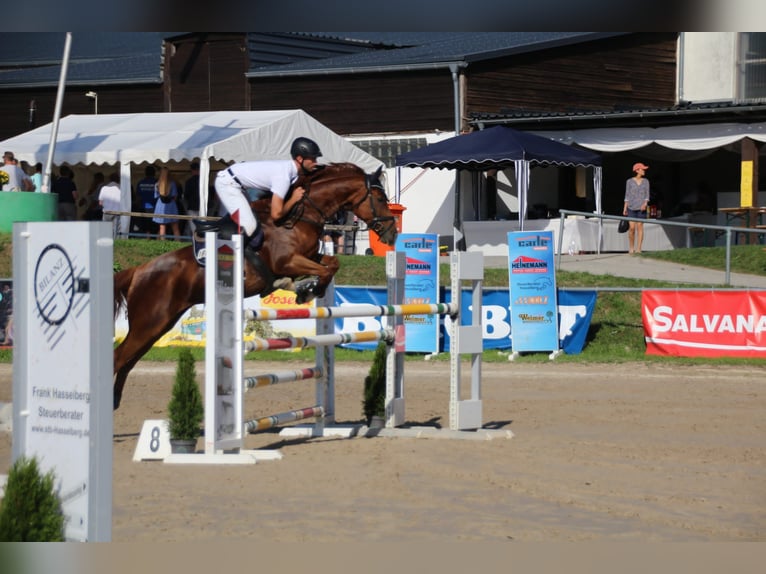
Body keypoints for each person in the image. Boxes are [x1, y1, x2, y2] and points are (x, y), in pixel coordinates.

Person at [214, 136, 322, 259]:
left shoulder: (291, 172)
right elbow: (276, 214)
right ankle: (227, 259)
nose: (315, 162)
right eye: (312, 159)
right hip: (228, 184)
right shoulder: (283, 176)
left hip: (236, 183)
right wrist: (293, 199)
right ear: (299, 159)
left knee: (256, 220)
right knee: (250, 225)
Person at [623, 162, 650, 254]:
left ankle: (639, 248)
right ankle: (631, 247)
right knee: (631, 228)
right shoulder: (629, 181)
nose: (644, 171)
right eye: (642, 169)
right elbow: (627, 195)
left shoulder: (646, 181)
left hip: (641, 208)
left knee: (640, 227)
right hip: (631, 207)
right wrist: (625, 208)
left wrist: (645, 204)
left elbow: (647, 195)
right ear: (637, 170)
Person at [153, 166, 181, 240]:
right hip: (171, 205)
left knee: (162, 227)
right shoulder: (172, 183)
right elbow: (175, 196)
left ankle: (163, 244)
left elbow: (156, 196)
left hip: (160, 205)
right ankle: (178, 243)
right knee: (175, 227)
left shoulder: (157, 184)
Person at [135, 165, 158, 237]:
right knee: (155, 225)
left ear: (145, 173)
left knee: (145, 225)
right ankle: (155, 240)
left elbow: (138, 196)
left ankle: (147, 238)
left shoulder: (140, 183)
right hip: (155, 207)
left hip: (143, 206)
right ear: (154, 173)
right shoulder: (157, 182)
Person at [98, 173, 123, 237]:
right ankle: (115, 245)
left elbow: (100, 202)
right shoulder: (121, 188)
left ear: (110, 179)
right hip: (117, 212)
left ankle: (106, 243)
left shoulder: (104, 188)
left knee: (106, 230)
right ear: (118, 179)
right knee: (116, 231)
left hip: (106, 212)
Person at [182, 161, 201, 237]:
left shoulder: (188, 182)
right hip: (202, 207)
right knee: (201, 227)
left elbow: (186, 195)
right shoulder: (204, 181)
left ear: (192, 170)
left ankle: (195, 242)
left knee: (193, 227)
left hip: (192, 206)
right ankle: (201, 242)